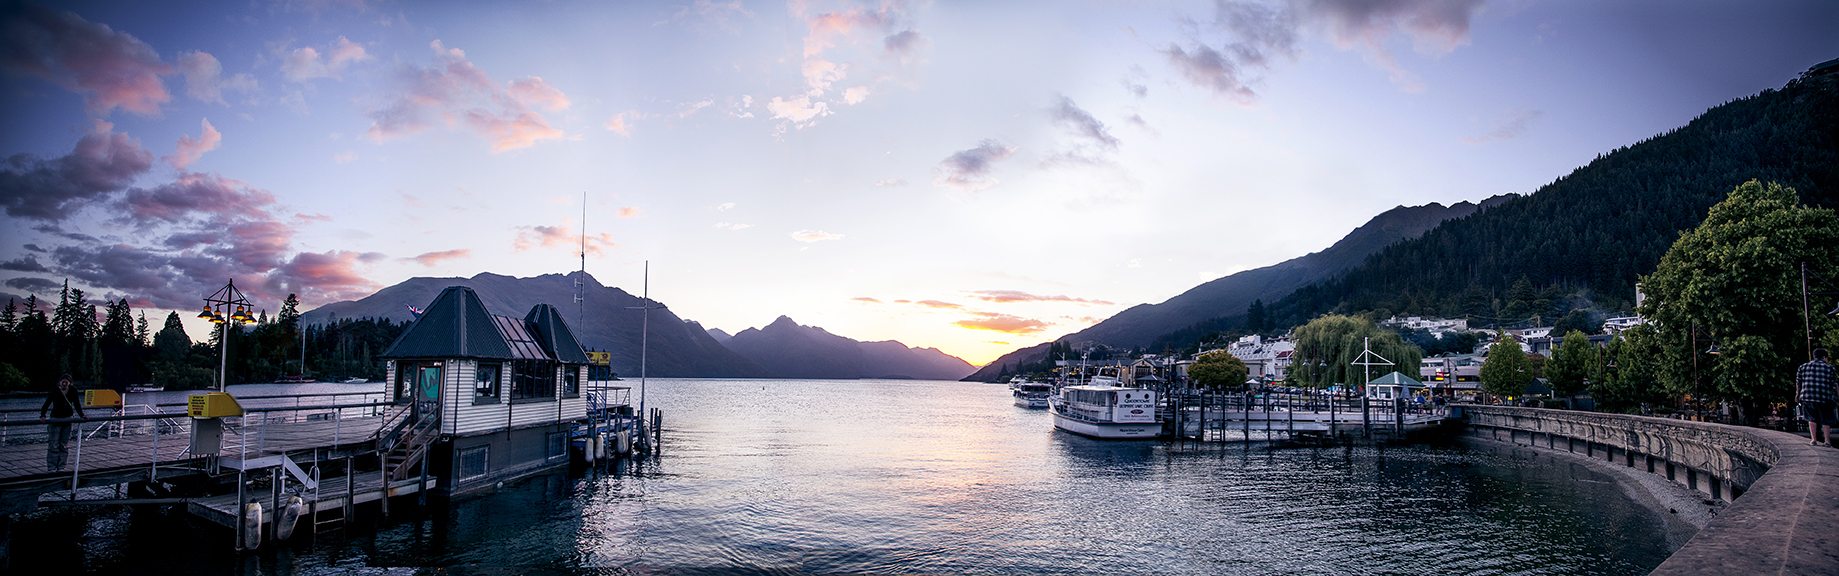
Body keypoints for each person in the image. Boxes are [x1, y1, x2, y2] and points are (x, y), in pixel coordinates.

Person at [39, 374, 87, 472]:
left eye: (66, 382)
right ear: (60, 382)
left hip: (68, 419)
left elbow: (77, 404)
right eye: (63, 382)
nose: (64, 384)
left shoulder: (73, 391)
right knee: (54, 444)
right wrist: (43, 415)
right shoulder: (55, 391)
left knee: (64, 444)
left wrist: (82, 415)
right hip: (55, 419)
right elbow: (47, 404)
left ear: (69, 383)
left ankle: (61, 467)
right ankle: (52, 467)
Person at [1797, 349, 1837, 446]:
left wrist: (1797, 395)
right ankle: (1827, 441)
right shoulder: (1830, 368)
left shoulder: (1803, 367)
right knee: (1826, 419)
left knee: (1811, 418)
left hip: (1808, 396)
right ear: (1824, 357)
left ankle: (1813, 440)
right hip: (1824, 397)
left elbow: (1798, 382)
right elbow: (1835, 384)